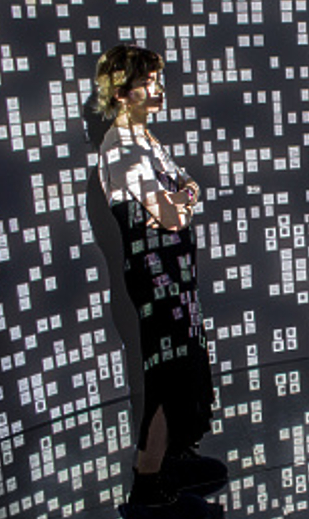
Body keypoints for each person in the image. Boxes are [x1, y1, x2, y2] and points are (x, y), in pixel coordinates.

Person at [92, 44, 226, 518]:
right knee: (167, 375)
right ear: (120, 91)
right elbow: (172, 214)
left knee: (183, 367)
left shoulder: (146, 139)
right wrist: (182, 202)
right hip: (156, 277)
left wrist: (182, 198)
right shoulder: (121, 147)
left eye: (156, 79)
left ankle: (172, 460)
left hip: (176, 274)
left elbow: (188, 188)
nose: (157, 89)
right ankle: (147, 479)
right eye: (146, 82)